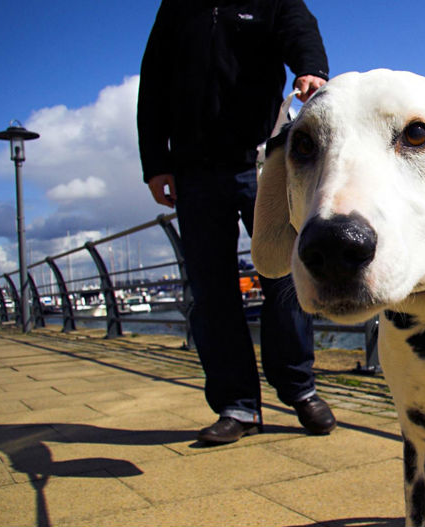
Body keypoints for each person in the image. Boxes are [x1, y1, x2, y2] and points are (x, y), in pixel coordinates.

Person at [137, 0, 335, 443]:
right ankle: (238, 406)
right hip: (193, 170)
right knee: (212, 290)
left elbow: (300, 29)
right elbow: (152, 84)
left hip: (262, 159)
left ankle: (299, 386)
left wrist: (310, 68)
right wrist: (155, 163)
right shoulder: (177, 7)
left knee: (285, 273)